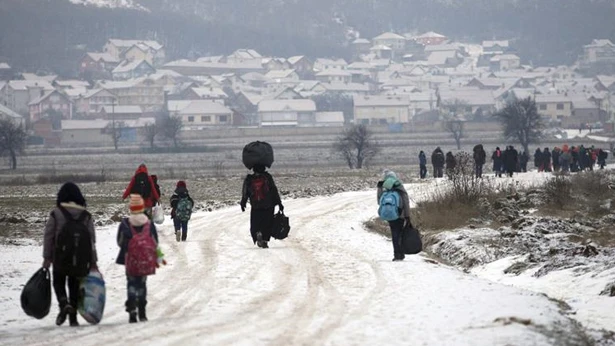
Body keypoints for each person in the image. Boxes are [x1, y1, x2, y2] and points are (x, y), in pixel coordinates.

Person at [43, 182, 98, 327]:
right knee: (75, 284)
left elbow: (48, 236)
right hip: (80, 258)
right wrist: (93, 260)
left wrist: (47, 257)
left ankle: (63, 303)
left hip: (60, 257)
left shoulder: (56, 214)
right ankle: (73, 318)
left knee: (58, 282)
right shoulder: (86, 216)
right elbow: (92, 240)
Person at [116, 194, 160, 323]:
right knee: (142, 284)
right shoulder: (149, 224)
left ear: (131, 208)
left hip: (130, 259)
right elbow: (155, 242)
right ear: (142, 207)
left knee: (131, 283)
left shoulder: (125, 224)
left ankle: (132, 308)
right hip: (145, 260)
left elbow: (120, 242)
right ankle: (142, 312)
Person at [240, 164, 283, 249]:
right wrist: (279, 203)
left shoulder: (249, 179)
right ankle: (264, 240)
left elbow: (245, 191)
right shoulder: (267, 177)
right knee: (267, 223)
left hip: (256, 204)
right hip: (268, 204)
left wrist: (243, 202)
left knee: (256, 222)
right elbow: (274, 190)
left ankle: (257, 233)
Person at [377, 170, 411, 262]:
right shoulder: (398, 184)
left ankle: (397, 254)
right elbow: (405, 200)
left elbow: (379, 201)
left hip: (390, 214)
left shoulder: (382, 185)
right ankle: (401, 253)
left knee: (394, 233)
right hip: (400, 213)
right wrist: (407, 215)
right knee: (400, 232)